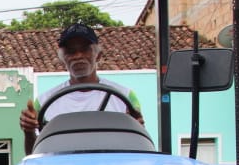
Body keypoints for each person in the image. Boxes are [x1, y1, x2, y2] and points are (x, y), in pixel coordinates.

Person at [18, 23, 145, 155]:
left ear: (98, 55)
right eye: (71, 51)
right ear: (62, 58)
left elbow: (138, 147)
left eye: (85, 49)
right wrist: (29, 131)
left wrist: (138, 127)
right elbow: (34, 155)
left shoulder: (126, 97)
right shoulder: (43, 102)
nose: (78, 55)